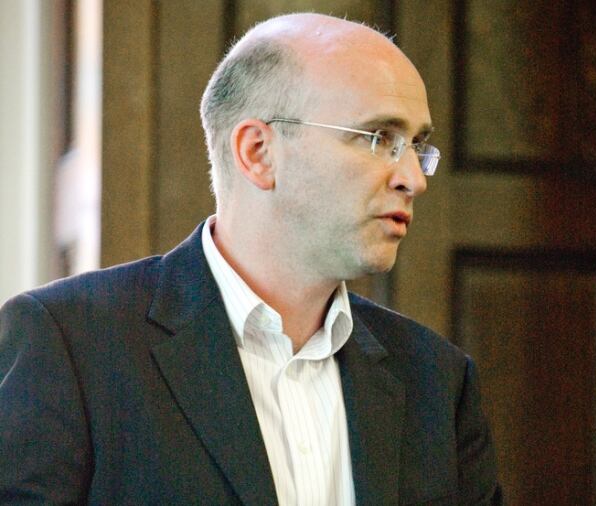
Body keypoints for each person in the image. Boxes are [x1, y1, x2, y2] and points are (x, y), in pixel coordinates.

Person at [0, 13, 501, 505]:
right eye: (379, 139)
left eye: (416, 145)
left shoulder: (437, 379)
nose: (414, 178)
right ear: (258, 152)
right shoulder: (69, 343)